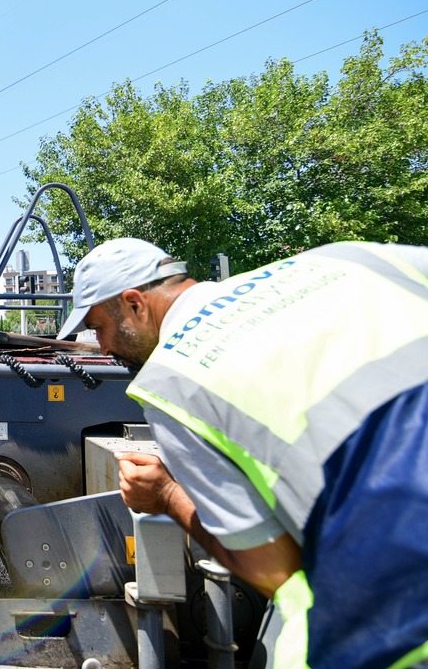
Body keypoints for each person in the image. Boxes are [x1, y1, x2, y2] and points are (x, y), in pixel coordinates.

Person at [57, 237, 428, 669]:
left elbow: (274, 571)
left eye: (99, 327)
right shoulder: (349, 259)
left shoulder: (174, 377)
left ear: (135, 303)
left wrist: (167, 496)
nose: (101, 348)